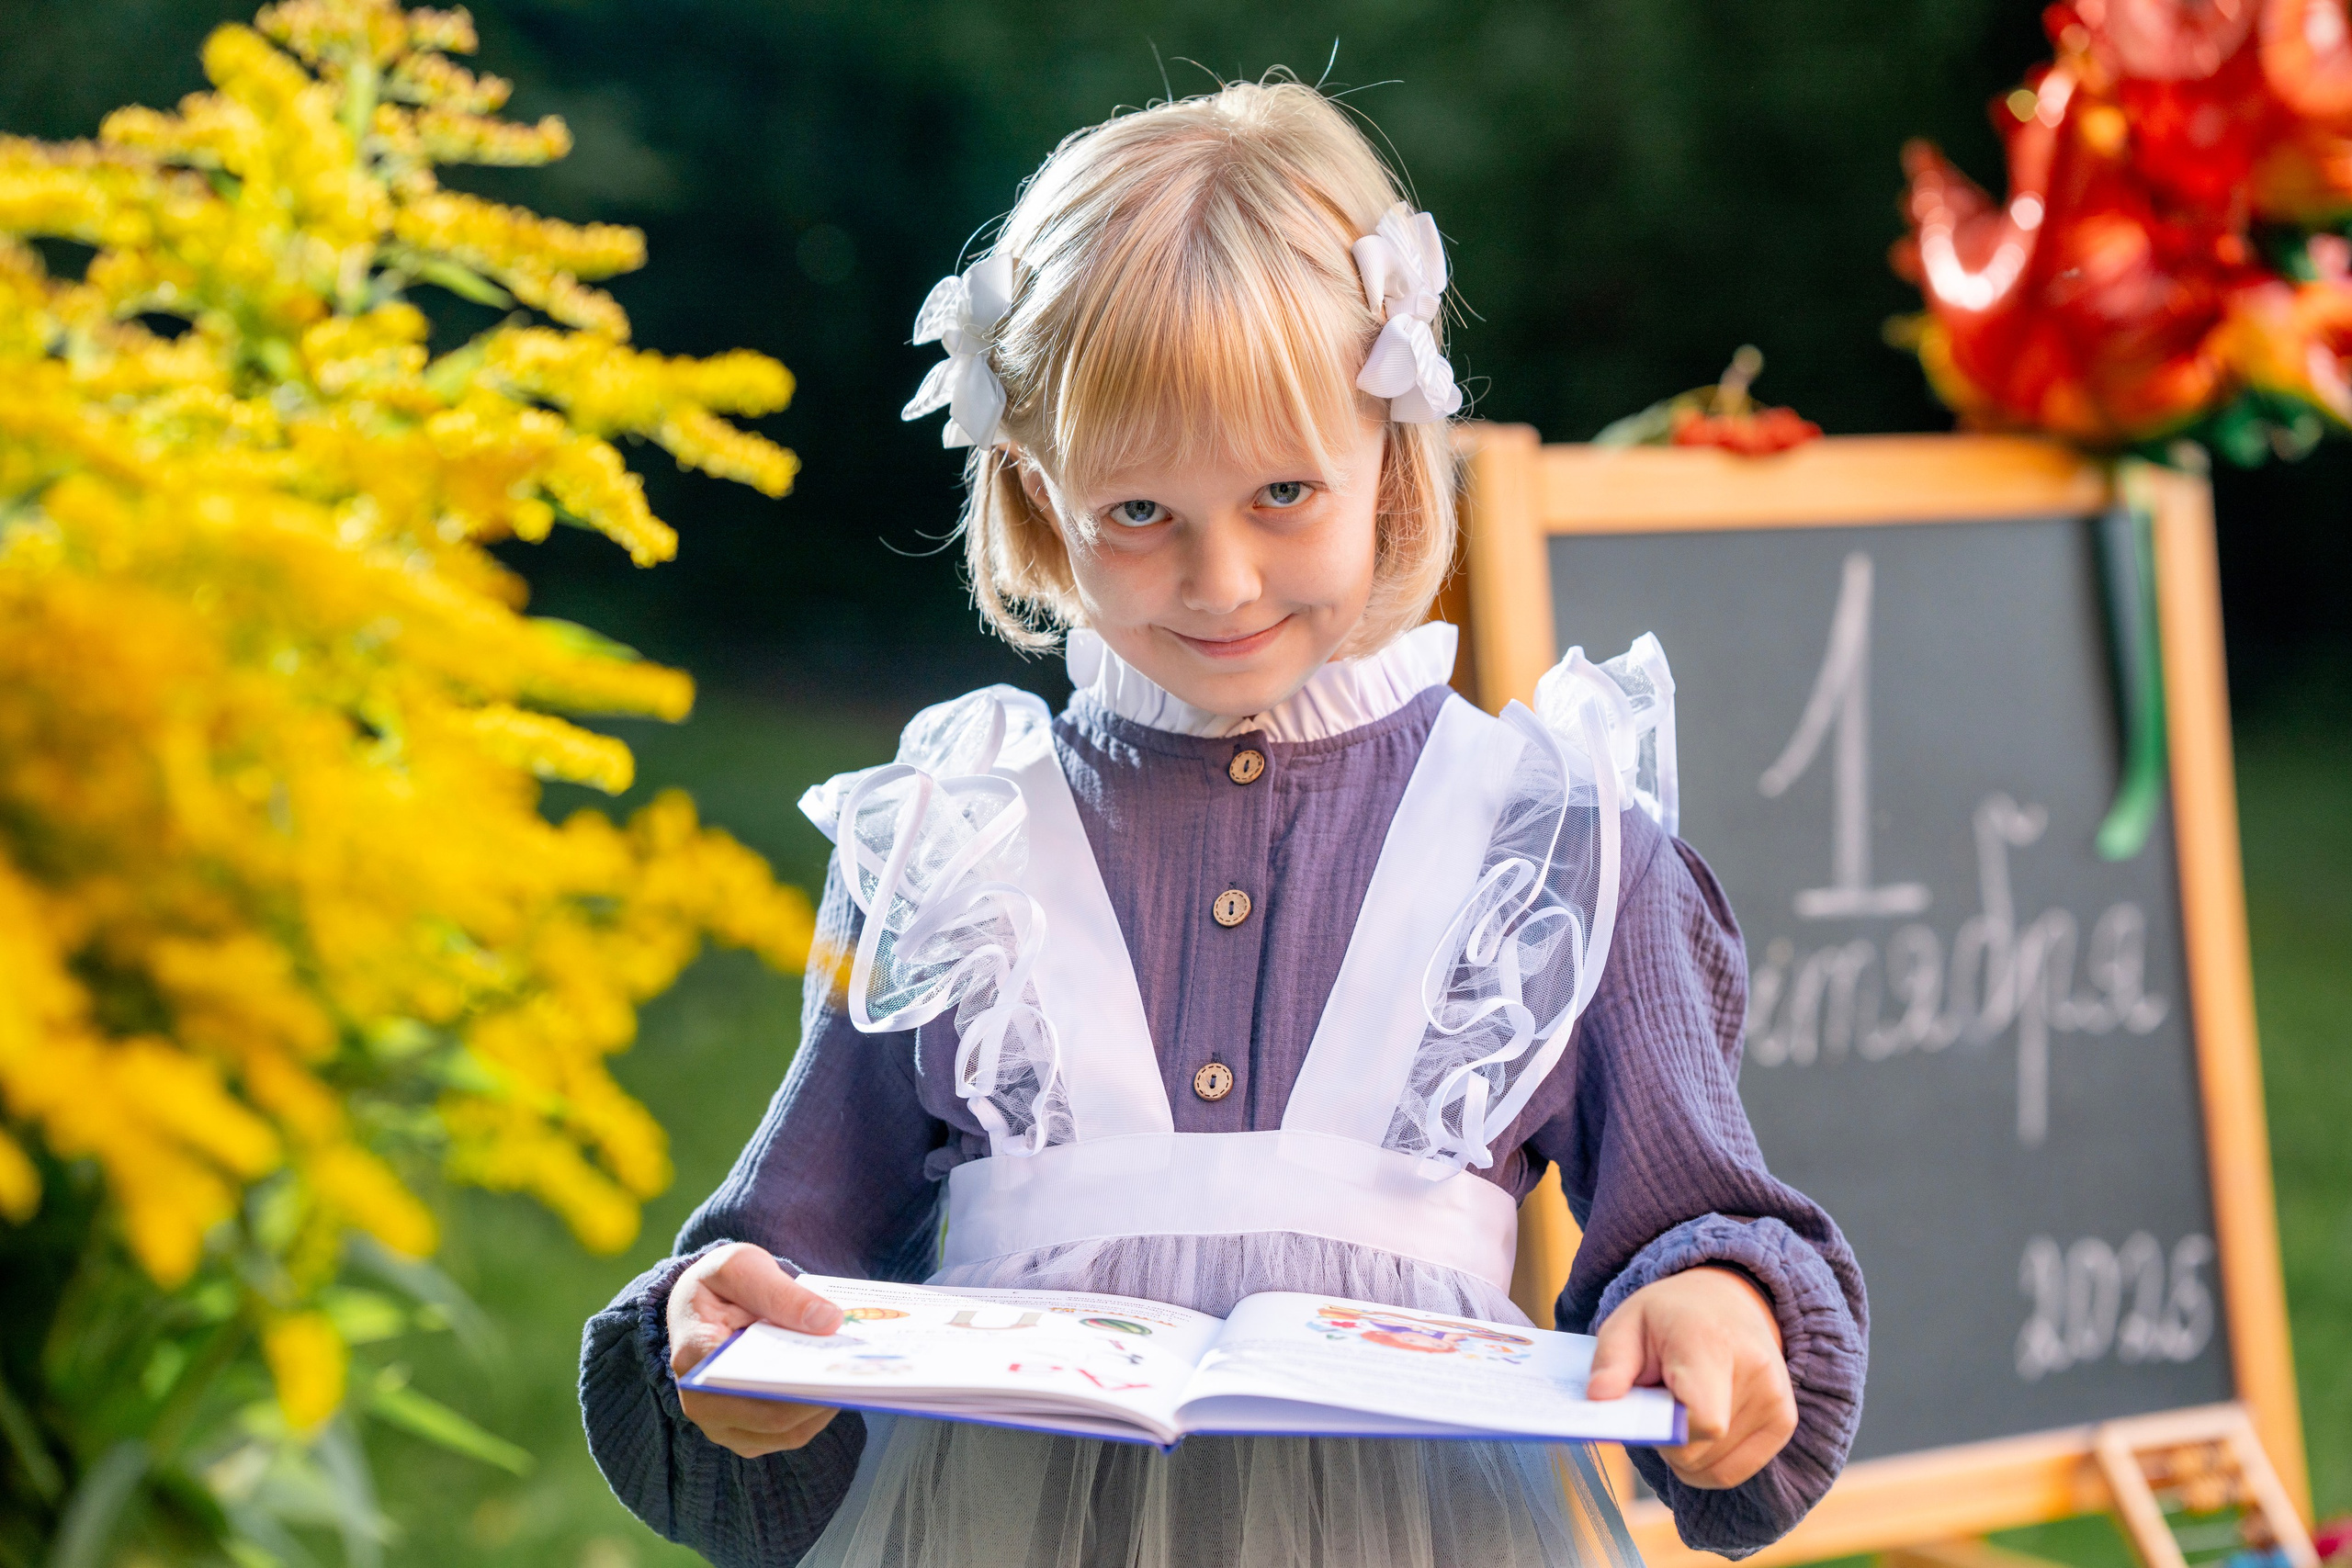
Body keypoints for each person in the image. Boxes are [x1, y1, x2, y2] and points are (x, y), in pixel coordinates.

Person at [581, 77, 1867, 1568]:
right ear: (1037, 496)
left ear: (1392, 453)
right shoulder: (958, 847)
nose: (1221, 583)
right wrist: (738, 1338)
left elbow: (1693, 1215)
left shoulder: (1552, 848)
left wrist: (1714, 1303)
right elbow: (792, 1234)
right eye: (1140, 514)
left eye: (1280, 493)